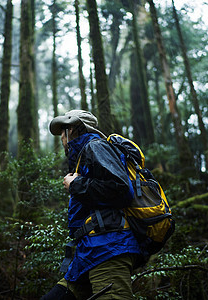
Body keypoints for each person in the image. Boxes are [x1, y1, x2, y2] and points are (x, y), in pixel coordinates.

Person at [41, 110, 143, 300]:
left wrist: (75, 185)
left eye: (62, 131)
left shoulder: (95, 146)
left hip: (109, 248)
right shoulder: (83, 156)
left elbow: (121, 189)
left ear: (71, 129)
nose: (61, 138)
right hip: (88, 252)